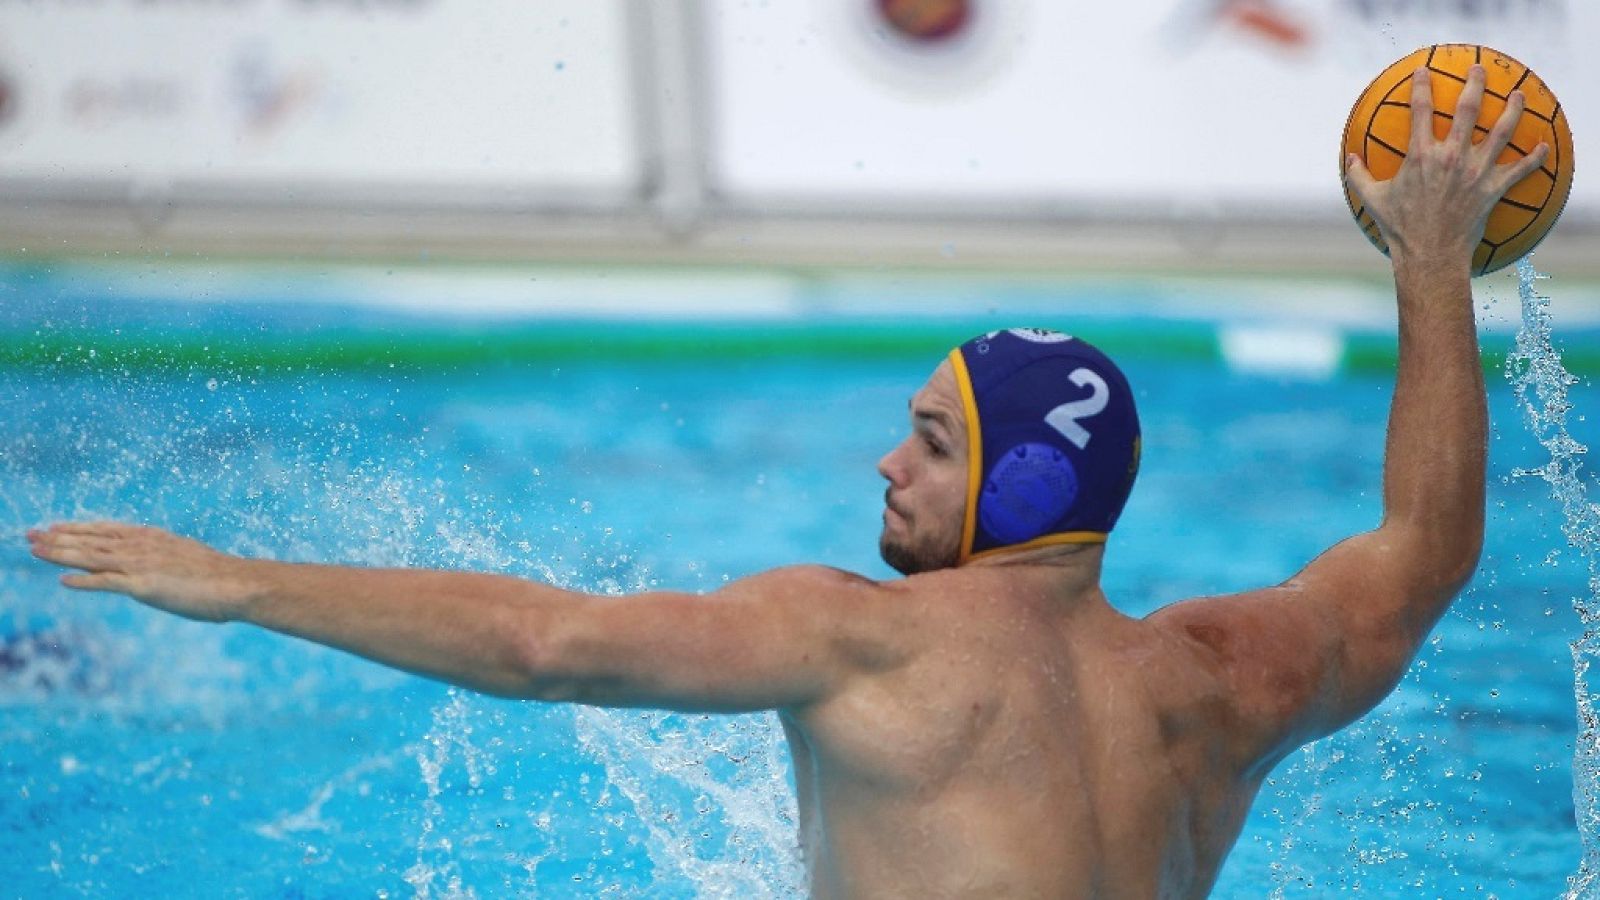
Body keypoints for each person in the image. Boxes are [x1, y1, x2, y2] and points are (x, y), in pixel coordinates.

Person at [28, 66, 1548, 898]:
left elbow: (545, 645)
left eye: (932, 441)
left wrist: (242, 584)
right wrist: (1431, 265)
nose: (887, 462)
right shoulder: (1216, 677)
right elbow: (1424, 550)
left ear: (1025, 485)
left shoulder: (867, 642)